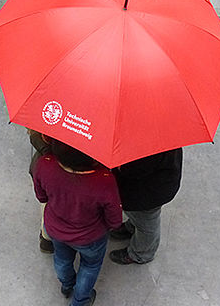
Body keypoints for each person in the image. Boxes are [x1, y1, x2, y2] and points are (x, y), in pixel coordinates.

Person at [32, 140, 122, 306]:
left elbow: (41, 196)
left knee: (62, 259)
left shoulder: (45, 165)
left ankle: (67, 286)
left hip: (56, 229)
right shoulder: (104, 181)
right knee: (90, 266)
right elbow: (115, 220)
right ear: (93, 157)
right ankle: (80, 301)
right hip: (90, 238)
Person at [109, 148, 183, 265]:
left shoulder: (150, 149)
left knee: (147, 224)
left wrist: (119, 166)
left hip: (149, 194)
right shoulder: (162, 134)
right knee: (139, 217)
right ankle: (132, 227)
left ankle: (141, 254)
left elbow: (133, 169)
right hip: (153, 186)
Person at [27, 129, 54, 253]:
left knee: (47, 204)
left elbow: (34, 134)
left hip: (43, 171)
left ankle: (46, 239)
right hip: (59, 173)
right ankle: (47, 238)